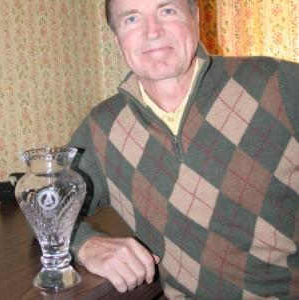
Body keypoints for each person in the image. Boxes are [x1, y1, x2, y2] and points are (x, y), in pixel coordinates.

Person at [69, 0, 299, 299]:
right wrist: (85, 244)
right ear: (117, 40)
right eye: (132, 19)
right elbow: (41, 195)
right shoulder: (102, 127)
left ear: (196, 18)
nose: (153, 31)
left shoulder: (278, 83)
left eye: (167, 11)